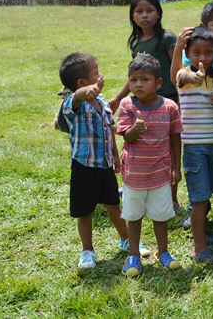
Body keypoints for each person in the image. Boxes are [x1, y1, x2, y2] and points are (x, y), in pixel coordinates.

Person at [110, 0, 181, 214]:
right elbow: (135, 74)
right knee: (147, 146)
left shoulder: (167, 38)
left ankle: (172, 197)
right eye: (139, 12)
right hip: (142, 103)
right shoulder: (136, 41)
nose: (144, 16)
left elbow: (177, 67)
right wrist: (118, 98)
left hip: (167, 101)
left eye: (149, 10)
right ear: (132, 16)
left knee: (168, 148)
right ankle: (144, 186)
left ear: (159, 13)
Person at [58, 52, 131, 270]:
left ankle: (127, 240)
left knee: (114, 206)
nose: (100, 75)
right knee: (85, 211)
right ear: (82, 82)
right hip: (84, 166)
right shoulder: (72, 105)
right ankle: (87, 250)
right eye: (96, 72)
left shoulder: (102, 103)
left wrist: (115, 157)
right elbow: (77, 97)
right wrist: (83, 92)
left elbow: (109, 131)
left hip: (105, 165)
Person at [116, 55, 183, 276]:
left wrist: (176, 166)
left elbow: (175, 138)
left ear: (159, 83)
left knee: (161, 215)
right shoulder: (127, 105)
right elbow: (127, 138)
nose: (138, 84)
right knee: (133, 216)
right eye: (133, 80)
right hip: (134, 175)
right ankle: (133, 255)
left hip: (160, 174)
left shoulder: (170, 107)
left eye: (144, 79)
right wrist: (135, 128)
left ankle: (162, 252)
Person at [175, 27, 213, 263]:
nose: (202, 58)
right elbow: (180, 75)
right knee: (200, 197)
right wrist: (193, 75)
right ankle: (199, 247)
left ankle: (201, 231)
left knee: (209, 193)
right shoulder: (184, 76)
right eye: (196, 53)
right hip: (194, 147)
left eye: (208, 52)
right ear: (188, 53)